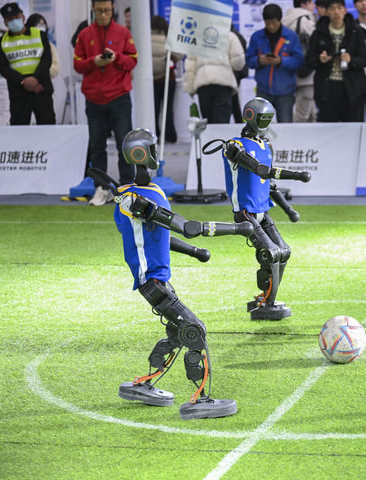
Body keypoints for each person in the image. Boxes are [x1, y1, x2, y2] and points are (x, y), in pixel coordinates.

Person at [110, 128, 253, 420]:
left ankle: (144, 385)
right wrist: (238, 228)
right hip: (153, 283)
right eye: (153, 148)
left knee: (177, 332)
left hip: (155, 282)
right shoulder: (138, 201)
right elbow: (187, 226)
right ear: (144, 154)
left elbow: (158, 236)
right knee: (194, 330)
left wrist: (193, 252)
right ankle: (200, 399)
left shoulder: (133, 196)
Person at [215, 98, 312, 320]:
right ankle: (267, 304)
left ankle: (267, 298)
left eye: (269, 118)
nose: (266, 122)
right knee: (272, 253)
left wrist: (288, 209)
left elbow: (270, 185)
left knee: (284, 251)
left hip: (263, 211)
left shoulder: (265, 146)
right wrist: (296, 175)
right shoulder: (234, 146)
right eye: (263, 117)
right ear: (250, 116)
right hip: (245, 212)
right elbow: (260, 170)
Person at [73, 0, 137, 206]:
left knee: (124, 144)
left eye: (107, 10)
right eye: (99, 10)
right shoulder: (84, 34)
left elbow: (133, 60)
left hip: (119, 97)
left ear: (112, 10)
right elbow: (77, 65)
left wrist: (116, 57)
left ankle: (127, 188)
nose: (103, 14)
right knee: (97, 146)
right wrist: (94, 61)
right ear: (93, 9)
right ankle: (101, 188)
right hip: (94, 99)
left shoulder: (123, 33)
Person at [305, 0, 366, 122]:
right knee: (328, 126)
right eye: (332, 9)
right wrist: (320, 59)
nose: (336, 12)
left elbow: (365, 59)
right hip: (327, 87)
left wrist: (351, 59)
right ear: (326, 12)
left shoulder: (356, 31)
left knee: (352, 126)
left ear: (345, 10)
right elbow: (309, 60)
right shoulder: (318, 33)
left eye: (339, 8)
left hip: (352, 87)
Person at [0, 2, 55, 125]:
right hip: (18, 93)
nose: (14, 21)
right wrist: (24, 81)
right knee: (19, 132)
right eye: (10, 19)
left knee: (48, 129)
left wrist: (36, 79)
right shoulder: (1, 42)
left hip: (41, 88)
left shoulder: (40, 34)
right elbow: (3, 68)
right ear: (5, 22)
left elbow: (46, 60)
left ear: (22, 16)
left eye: (16, 17)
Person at [246, 3, 304, 123]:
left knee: (286, 126)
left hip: (285, 92)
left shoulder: (291, 36)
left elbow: (298, 60)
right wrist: (259, 60)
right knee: (260, 126)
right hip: (263, 91)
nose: (271, 26)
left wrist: (281, 61)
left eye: (274, 23)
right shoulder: (257, 37)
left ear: (280, 19)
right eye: (268, 23)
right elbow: (249, 60)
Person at [184, 29, 245, 124]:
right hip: (223, 84)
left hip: (203, 85)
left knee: (208, 124)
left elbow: (190, 66)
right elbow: (239, 63)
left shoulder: (197, 37)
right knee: (221, 124)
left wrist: (190, 88)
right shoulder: (230, 36)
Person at [282, 0, 318, 122]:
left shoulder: (286, 19)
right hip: (306, 75)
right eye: (312, 2)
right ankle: (294, 135)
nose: (314, 6)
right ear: (304, 4)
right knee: (302, 116)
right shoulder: (304, 20)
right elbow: (318, 38)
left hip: (289, 71)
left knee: (310, 114)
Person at [151, 15, 182, 143]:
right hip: (167, 77)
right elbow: (179, 56)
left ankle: (155, 135)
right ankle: (170, 135)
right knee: (168, 109)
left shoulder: (144, 39)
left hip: (151, 80)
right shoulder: (168, 39)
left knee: (154, 108)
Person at [25, 13, 59, 79]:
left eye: (43, 25)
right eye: (38, 25)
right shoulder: (24, 43)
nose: (41, 27)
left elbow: (55, 67)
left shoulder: (50, 46)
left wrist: (39, 73)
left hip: (44, 81)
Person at [231, 25, 250, 124]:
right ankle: (239, 124)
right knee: (234, 103)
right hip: (234, 74)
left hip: (232, 74)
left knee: (233, 103)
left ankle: (239, 124)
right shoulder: (237, 35)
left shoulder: (234, 36)